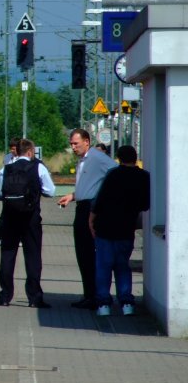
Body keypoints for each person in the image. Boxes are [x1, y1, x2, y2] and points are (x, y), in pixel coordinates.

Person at [57, 128, 117, 310]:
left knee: (88, 253)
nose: (73, 147)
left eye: (76, 143)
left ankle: (95, 296)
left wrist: (102, 198)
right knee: (83, 253)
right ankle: (89, 294)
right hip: (82, 206)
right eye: (71, 144)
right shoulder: (83, 160)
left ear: (87, 142)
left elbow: (114, 173)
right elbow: (89, 184)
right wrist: (73, 195)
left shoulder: (97, 158)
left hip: (91, 208)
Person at [0, 139, 56, 308]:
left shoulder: (6, 169)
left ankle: (5, 297)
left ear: (17, 151)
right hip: (31, 219)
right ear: (30, 152)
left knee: (7, 255)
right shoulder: (38, 167)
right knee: (33, 257)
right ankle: (34, 298)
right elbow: (51, 191)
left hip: (9, 217)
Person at [90, 145, 150, 317]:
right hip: (126, 228)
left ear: (119, 158)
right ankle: (126, 303)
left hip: (105, 227)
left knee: (104, 266)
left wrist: (91, 219)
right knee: (123, 265)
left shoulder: (113, 175)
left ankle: (103, 304)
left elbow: (99, 199)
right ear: (135, 157)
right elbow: (145, 204)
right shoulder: (144, 177)